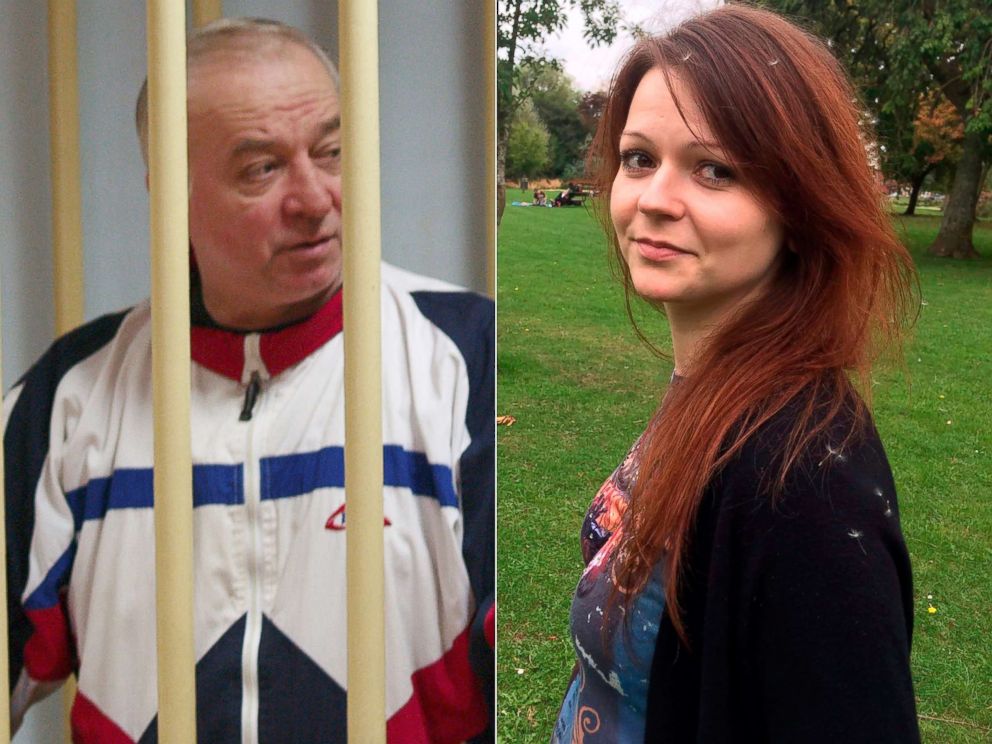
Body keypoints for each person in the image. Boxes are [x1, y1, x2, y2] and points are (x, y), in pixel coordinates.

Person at [3, 18, 493, 744]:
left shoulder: (465, 361)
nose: (317, 196)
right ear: (166, 190)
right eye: (261, 168)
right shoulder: (68, 400)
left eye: (332, 150)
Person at [552, 5, 919, 742]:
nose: (654, 199)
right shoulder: (716, 390)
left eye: (714, 169)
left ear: (800, 202)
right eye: (638, 158)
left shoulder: (804, 478)